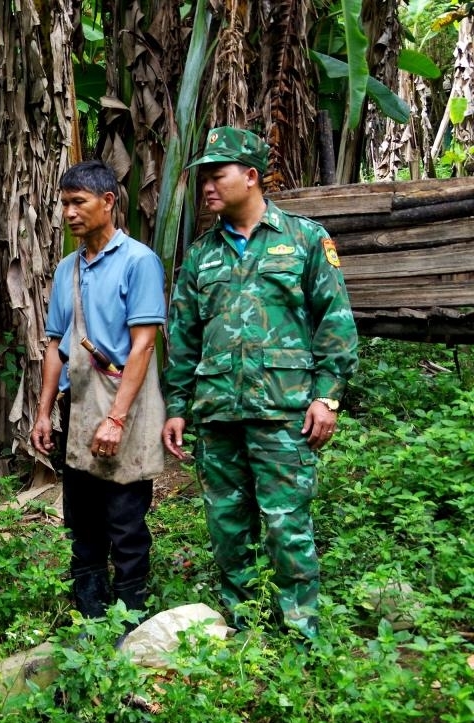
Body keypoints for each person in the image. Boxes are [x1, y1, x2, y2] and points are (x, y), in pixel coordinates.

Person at [162, 126, 359, 641]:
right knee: (228, 529)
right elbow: (182, 337)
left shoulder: (305, 239)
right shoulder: (201, 256)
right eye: (202, 177)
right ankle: (243, 628)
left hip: (284, 412)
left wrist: (326, 396)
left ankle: (300, 635)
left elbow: (334, 322)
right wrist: (178, 407)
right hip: (218, 413)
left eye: (216, 175)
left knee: (286, 527)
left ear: (250, 177)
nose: (206, 186)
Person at [30, 161, 167, 626]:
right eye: (64, 203)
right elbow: (55, 345)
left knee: (125, 515)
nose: (68, 213)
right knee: (82, 512)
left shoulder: (138, 261)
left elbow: (144, 344)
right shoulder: (67, 269)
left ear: (108, 202)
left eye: (78, 203)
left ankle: (131, 613)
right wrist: (44, 412)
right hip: (79, 402)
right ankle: (89, 609)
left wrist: (117, 418)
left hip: (123, 401)